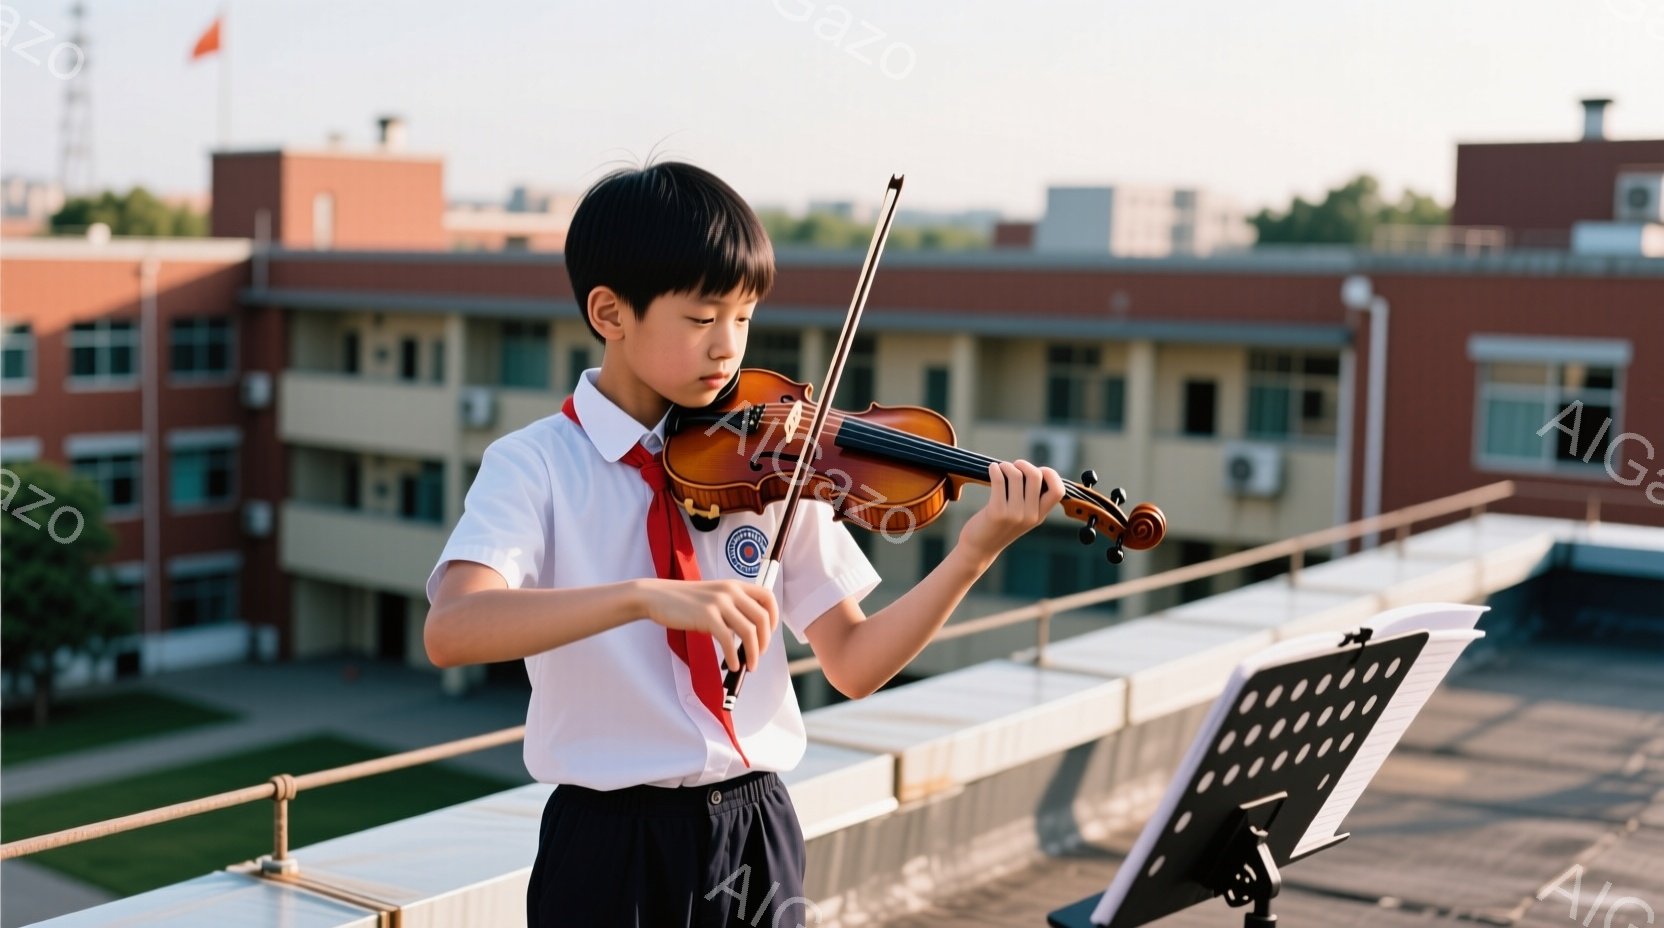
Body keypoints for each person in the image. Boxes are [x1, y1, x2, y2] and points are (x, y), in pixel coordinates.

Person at [423, 160, 1063, 927]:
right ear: (609, 311)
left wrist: (973, 553)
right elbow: (453, 630)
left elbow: (854, 664)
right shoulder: (534, 465)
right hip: (607, 849)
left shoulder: (773, 457)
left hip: (755, 830)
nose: (728, 347)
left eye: (745, 317)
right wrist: (641, 597)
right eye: (701, 319)